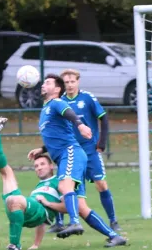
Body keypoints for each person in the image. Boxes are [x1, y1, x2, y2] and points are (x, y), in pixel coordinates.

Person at [45, 69, 120, 233]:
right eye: (66, 82)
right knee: (65, 186)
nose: (70, 85)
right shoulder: (59, 101)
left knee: (101, 184)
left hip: (90, 149)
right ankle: (60, 222)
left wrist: (102, 142)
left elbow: (103, 117)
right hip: (69, 150)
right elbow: (55, 130)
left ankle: (113, 220)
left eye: (73, 82)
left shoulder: (87, 98)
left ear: (78, 82)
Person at [0, 117, 61, 250]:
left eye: (42, 164)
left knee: (14, 200)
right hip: (30, 208)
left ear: (51, 166)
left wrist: (48, 203)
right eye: (36, 166)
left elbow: (68, 206)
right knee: (6, 173)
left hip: (39, 211)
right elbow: (41, 224)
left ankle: (14, 246)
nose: (38, 168)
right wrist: (36, 244)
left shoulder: (59, 181)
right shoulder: (39, 186)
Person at [30, 74, 92, 239]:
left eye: (48, 82)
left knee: (65, 188)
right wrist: (42, 149)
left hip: (70, 152)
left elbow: (70, 113)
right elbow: (58, 135)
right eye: (43, 82)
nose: (43, 84)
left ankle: (74, 222)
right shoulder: (46, 109)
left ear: (57, 89)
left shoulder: (57, 102)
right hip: (66, 155)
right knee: (82, 207)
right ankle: (114, 236)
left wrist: (80, 125)